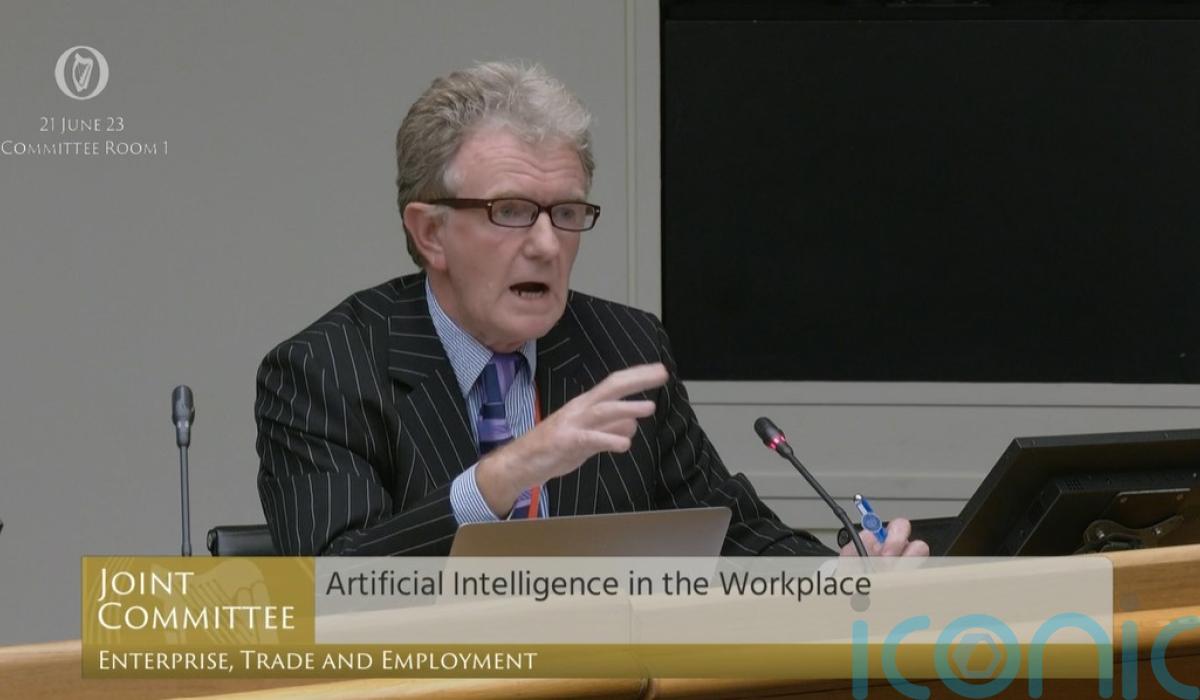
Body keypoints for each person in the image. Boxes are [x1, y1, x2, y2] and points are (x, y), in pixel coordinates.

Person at [254, 61, 929, 559]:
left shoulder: (622, 347)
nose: (548, 245)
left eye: (567, 213)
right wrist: (501, 478)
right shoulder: (324, 369)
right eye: (511, 211)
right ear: (431, 233)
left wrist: (837, 578)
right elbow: (330, 586)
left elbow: (733, 535)